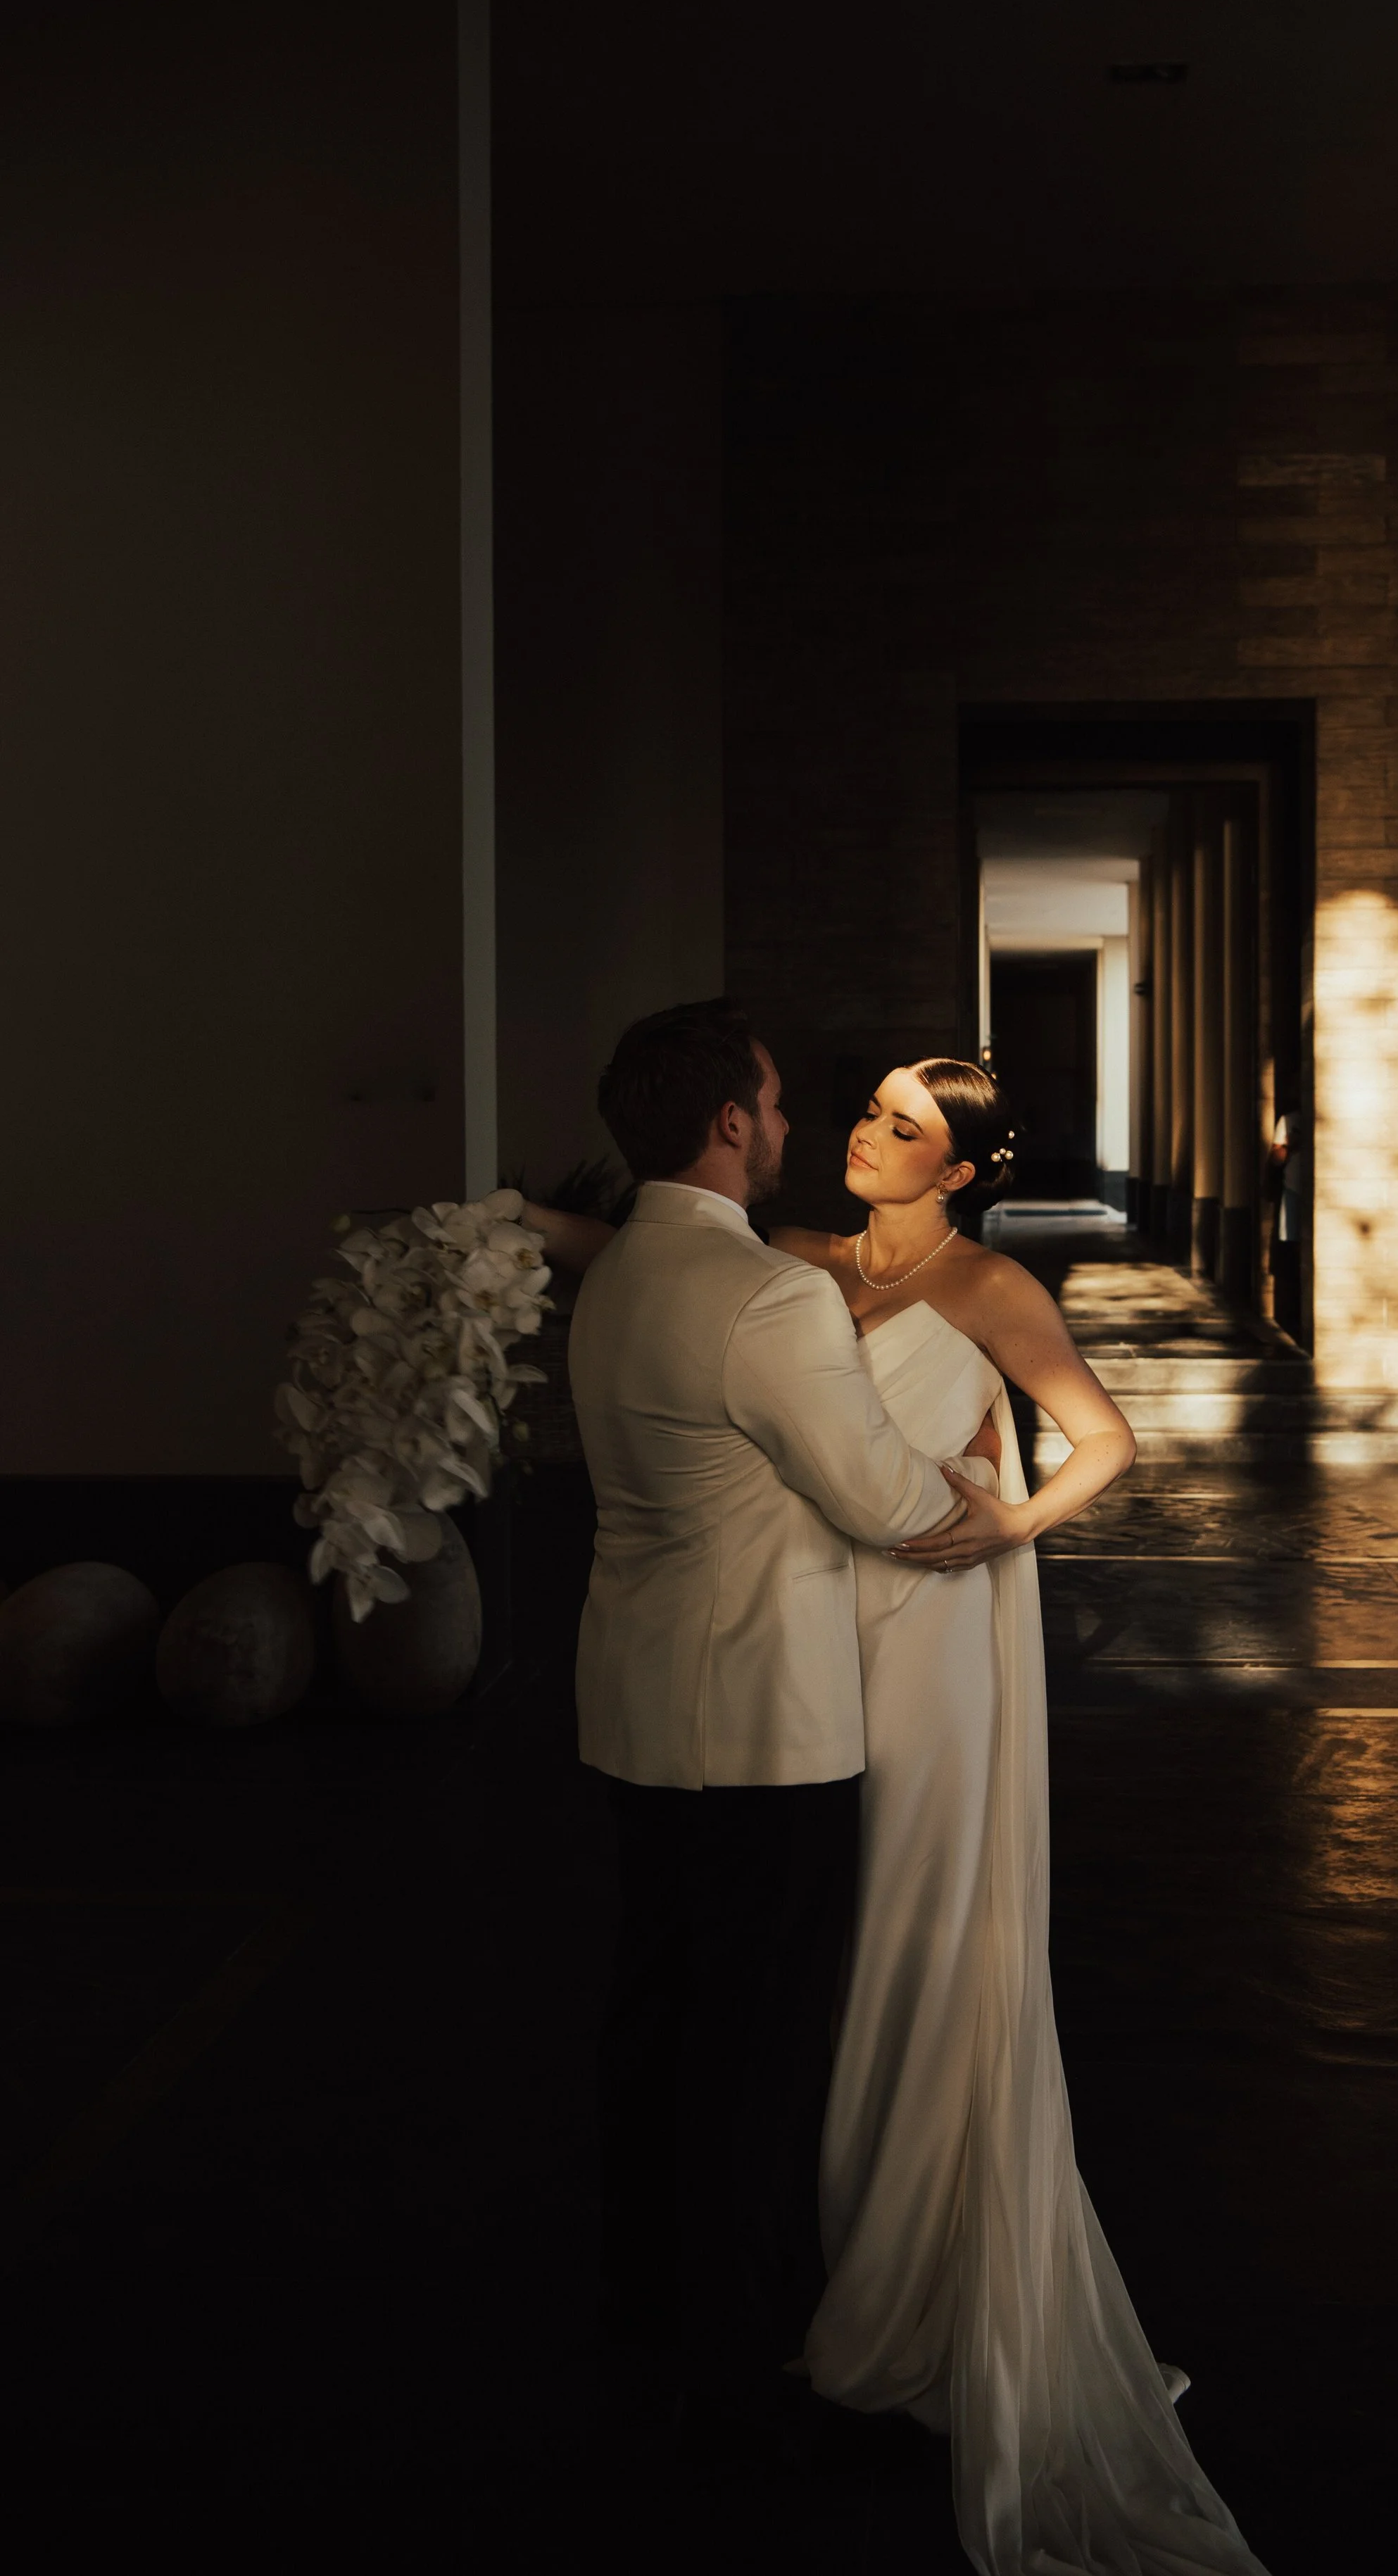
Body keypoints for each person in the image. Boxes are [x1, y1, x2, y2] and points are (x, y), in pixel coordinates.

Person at [769, 1059, 1270, 2576]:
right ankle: (867, 2251)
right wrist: (501, 1226)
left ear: (962, 1172)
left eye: (905, 1131)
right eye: (869, 1111)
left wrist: (1013, 1521)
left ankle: (917, 2278)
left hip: (933, 1640)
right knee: (836, 1931)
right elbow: (650, 1249)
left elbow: (1106, 1439)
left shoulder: (991, 1288)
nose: (867, 1136)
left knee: (919, 1926)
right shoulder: (804, 1261)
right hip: (818, 1628)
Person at [552, 1000, 969, 2458]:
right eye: (779, 1104)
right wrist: (976, 1474)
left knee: (655, 2025)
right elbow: (886, 1500)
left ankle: (645, 2311)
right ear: (729, 1122)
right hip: (762, 1729)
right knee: (757, 2049)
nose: (792, 1126)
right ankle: (735, 2357)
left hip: (635, 1703)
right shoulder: (766, 1297)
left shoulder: (618, 1272)